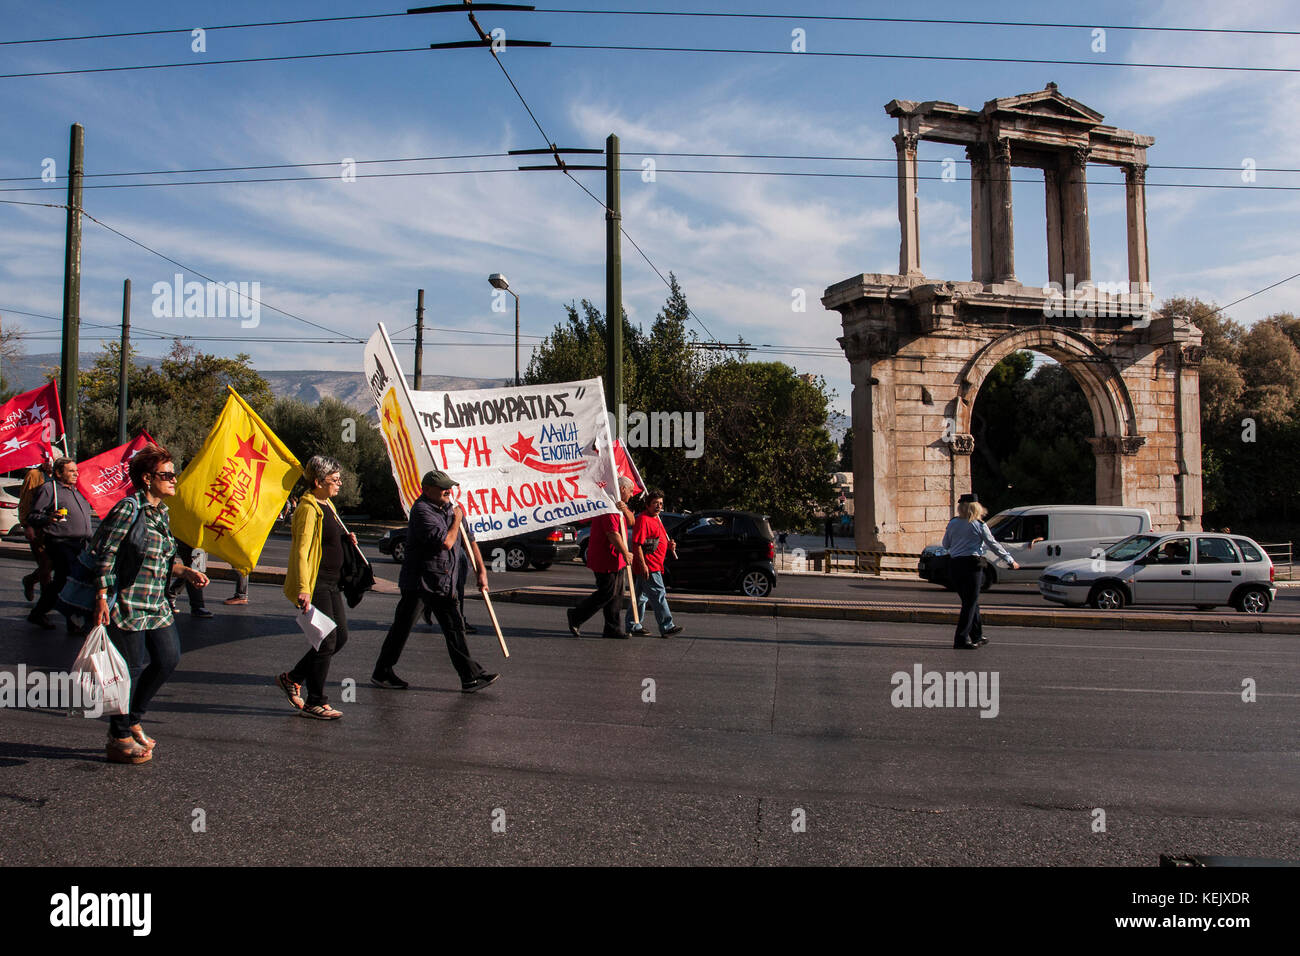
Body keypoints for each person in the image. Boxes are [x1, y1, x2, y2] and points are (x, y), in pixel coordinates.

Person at [92, 443, 209, 765]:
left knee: (168, 659)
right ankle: (118, 736)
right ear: (147, 478)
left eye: (174, 474)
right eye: (167, 475)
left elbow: (162, 557)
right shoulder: (129, 509)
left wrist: (185, 570)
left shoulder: (161, 512)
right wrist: (102, 596)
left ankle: (133, 717)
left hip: (155, 603)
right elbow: (106, 554)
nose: (174, 480)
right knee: (128, 671)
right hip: (128, 602)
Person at [372, 470, 498, 693]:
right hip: (420, 582)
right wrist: (457, 518)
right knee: (402, 628)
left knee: (455, 628)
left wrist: (481, 571)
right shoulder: (421, 511)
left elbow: (470, 540)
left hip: (443, 582)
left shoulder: (451, 508)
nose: (447, 491)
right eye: (442, 488)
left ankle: (470, 677)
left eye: (449, 487)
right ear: (427, 490)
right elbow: (446, 543)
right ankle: (382, 672)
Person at [276, 456, 357, 719]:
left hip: (333, 583)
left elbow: (329, 538)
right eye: (334, 480)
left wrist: (347, 540)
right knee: (327, 640)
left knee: (340, 637)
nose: (339, 483)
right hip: (316, 583)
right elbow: (301, 549)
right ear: (318, 481)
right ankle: (315, 701)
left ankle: (293, 678)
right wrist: (303, 588)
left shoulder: (327, 504)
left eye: (338, 479)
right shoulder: (308, 508)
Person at [941, 492, 1019, 649]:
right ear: (976, 508)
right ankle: (961, 639)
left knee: (970, 601)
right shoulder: (979, 525)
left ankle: (977, 635)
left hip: (955, 565)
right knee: (970, 604)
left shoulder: (953, 523)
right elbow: (993, 544)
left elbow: (946, 544)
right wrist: (1010, 560)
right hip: (972, 566)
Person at [26, 457, 95, 634]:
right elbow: (33, 516)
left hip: (80, 544)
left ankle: (47, 614)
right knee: (66, 580)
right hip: (60, 542)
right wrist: (48, 518)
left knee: (67, 581)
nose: (75, 474)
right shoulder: (50, 490)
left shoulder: (76, 491)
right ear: (58, 473)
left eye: (76, 471)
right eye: (71, 471)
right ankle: (64, 619)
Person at [567, 476, 636, 640]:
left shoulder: (619, 506)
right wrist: (626, 552)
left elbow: (632, 521)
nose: (632, 495)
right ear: (623, 489)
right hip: (604, 557)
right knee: (607, 592)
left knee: (617, 594)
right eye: (631, 491)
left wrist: (625, 509)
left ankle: (612, 628)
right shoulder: (607, 505)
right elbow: (612, 534)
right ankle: (576, 615)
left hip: (616, 559)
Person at [626, 489, 683, 637]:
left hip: (655, 564)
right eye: (655, 504)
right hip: (649, 566)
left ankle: (633, 625)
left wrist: (669, 546)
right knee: (659, 594)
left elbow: (657, 539)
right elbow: (637, 544)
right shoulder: (643, 520)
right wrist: (643, 564)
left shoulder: (657, 518)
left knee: (640, 597)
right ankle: (667, 625)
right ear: (647, 505)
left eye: (660, 504)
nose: (658, 506)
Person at [18, 458, 53, 604]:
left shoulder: (60, 478)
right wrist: (27, 525)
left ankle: (30, 580)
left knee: (53, 564)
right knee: (45, 565)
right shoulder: (34, 475)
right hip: (38, 529)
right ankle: (45, 605)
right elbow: (25, 502)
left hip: (56, 529)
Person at [167, 540, 214, 618]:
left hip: (198, 540)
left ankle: (170, 595)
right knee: (195, 569)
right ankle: (197, 606)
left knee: (192, 570)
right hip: (188, 537)